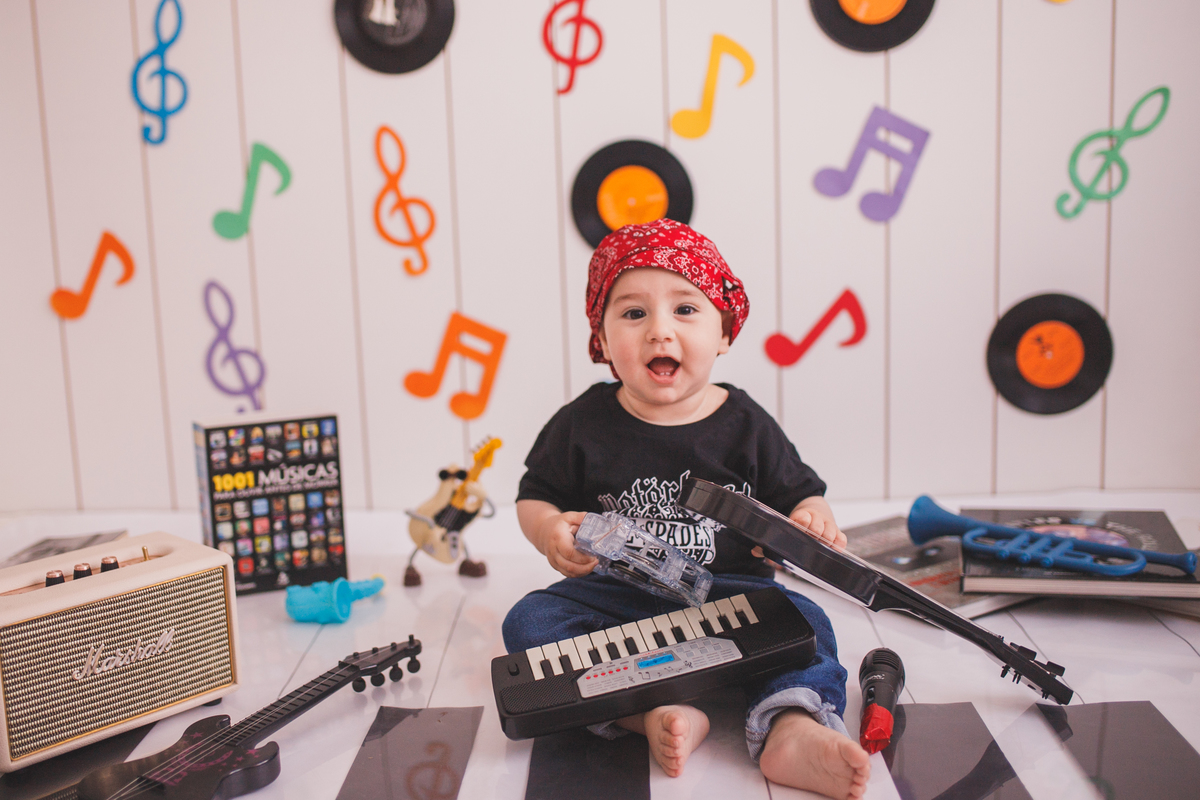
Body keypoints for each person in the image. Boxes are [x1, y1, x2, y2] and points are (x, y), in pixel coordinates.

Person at [502, 219, 870, 800]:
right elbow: (534, 494)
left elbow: (800, 492)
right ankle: (646, 711)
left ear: (725, 331)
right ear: (601, 339)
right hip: (616, 602)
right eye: (633, 314)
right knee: (529, 622)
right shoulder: (583, 421)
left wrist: (811, 520)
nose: (659, 332)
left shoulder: (745, 424)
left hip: (729, 595)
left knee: (808, 620)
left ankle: (790, 727)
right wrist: (548, 527)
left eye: (685, 310)